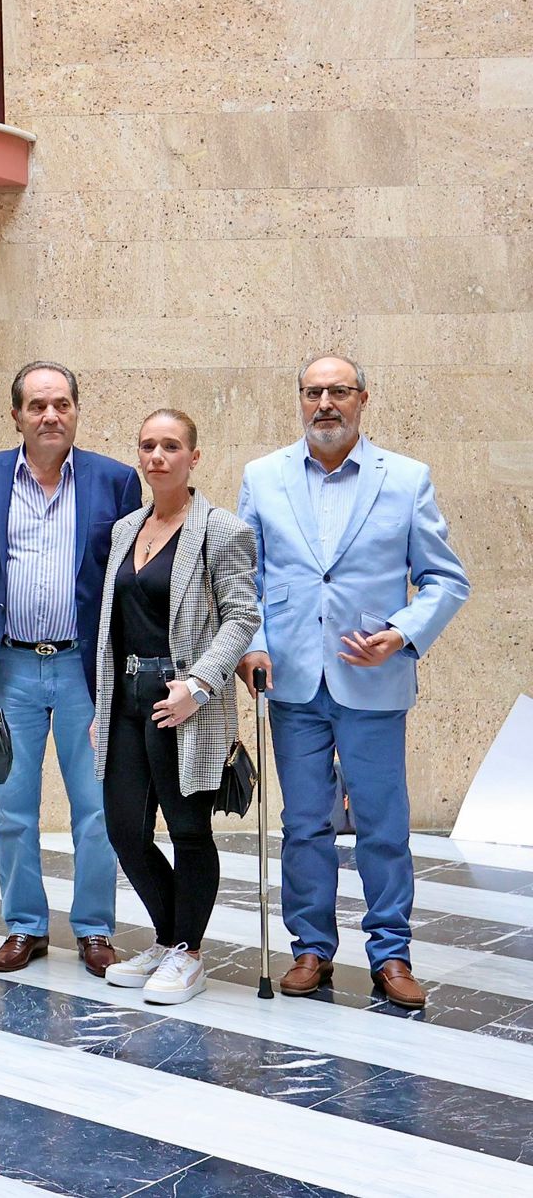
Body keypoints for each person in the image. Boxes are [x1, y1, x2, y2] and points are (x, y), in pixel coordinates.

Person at [237, 354, 469, 1009]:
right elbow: (243, 581)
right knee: (304, 823)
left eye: (338, 391)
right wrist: (252, 646)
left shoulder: (407, 479)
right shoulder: (262, 477)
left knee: (383, 825)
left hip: (374, 679)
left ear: (363, 399)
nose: (325, 404)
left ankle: (391, 955)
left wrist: (401, 632)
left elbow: (446, 580)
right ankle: (311, 949)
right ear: (299, 400)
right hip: (292, 681)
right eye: (313, 392)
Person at [0, 361, 140, 978]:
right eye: (37, 405)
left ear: (77, 411)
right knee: (12, 804)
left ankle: (93, 927)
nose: (50, 415)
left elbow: (129, 579)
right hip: (10, 665)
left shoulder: (115, 481)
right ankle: (25, 925)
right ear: (16, 415)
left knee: (96, 806)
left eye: (61, 403)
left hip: (86, 667)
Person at [91, 410, 259, 1006]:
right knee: (123, 828)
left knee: (188, 831)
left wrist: (200, 685)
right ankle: (167, 941)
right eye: (148, 447)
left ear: (194, 458)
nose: (158, 456)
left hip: (184, 699)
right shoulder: (125, 530)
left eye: (171, 447)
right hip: (126, 698)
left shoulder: (222, 529)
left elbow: (243, 616)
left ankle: (188, 951)